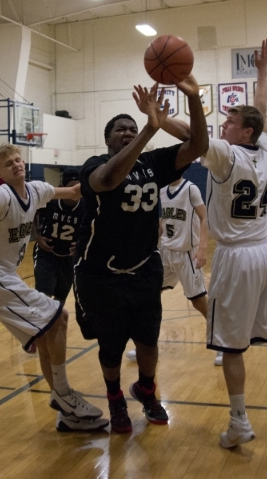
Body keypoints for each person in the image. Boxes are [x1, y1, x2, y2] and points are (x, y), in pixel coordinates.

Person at [73, 76, 208, 433]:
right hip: (101, 275)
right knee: (111, 347)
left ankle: (146, 390)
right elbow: (111, 179)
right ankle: (115, 397)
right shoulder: (93, 165)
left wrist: (193, 99)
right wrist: (149, 130)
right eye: (121, 129)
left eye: (132, 127)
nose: (128, 132)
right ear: (107, 139)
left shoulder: (153, 163)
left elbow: (198, 144)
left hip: (145, 268)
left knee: (149, 341)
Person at [0, 143, 109, 433]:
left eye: (18, 160)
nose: (16, 165)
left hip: (5, 276)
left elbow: (72, 193)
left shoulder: (35, 190)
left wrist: (105, 178)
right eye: (9, 164)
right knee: (60, 317)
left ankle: (66, 410)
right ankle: (64, 395)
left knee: (48, 336)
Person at [200, 39, 267, 448]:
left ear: (243, 132)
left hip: (236, 257)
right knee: (258, 336)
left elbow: (190, 134)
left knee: (230, 347)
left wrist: (161, 120)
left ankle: (240, 422)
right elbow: (258, 114)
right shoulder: (265, 149)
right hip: (265, 250)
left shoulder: (227, 156)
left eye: (229, 123)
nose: (222, 126)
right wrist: (261, 72)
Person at [126, 176, 223, 366]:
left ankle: (221, 343)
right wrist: (152, 241)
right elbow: (165, 219)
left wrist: (203, 247)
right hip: (166, 252)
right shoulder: (162, 190)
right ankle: (146, 345)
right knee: (149, 296)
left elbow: (205, 218)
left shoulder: (190, 188)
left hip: (188, 253)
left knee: (198, 301)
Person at [33, 167, 84, 305]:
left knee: (61, 297)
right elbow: (31, 213)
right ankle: (41, 324)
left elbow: (94, 227)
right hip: (46, 254)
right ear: (63, 187)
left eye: (79, 187)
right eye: (72, 187)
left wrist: (81, 244)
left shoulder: (86, 205)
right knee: (43, 294)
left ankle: (54, 323)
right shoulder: (51, 201)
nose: (76, 191)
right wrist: (37, 237)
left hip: (68, 258)